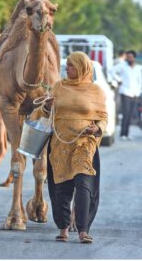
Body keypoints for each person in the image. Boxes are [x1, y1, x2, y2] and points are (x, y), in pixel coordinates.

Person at [31, 51, 107, 243]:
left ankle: (83, 230)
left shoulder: (96, 91)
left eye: (72, 65)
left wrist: (97, 128)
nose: (67, 68)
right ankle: (63, 228)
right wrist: (47, 107)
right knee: (61, 187)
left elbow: (103, 117)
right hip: (60, 143)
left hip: (85, 144)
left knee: (84, 185)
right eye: (67, 65)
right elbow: (44, 113)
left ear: (82, 67)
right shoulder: (58, 86)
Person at [110, 50, 142, 140]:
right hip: (125, 92)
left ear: (134, 58)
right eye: (128, 57)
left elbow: (140, 80)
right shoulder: (122, 66)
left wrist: (139, 90)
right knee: (126, 113)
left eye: (131, 57)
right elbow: (112, 71)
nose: (129, 58)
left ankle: (127, 134)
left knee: (131, 114)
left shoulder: (138, 68)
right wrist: (119, 80)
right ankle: (122, 134)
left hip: (135, 93)